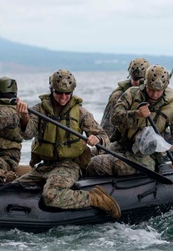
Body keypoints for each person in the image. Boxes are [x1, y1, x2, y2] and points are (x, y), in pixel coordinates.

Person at [13, 70, 121, 218]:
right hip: (45, 165)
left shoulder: (81, 113)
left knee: (51, 196)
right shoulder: (39, 110)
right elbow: (27, 134)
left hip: (69, 165)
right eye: (59, 93)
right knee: (14, 187)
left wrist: (97, 139)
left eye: (67, 93)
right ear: (52, 90)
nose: (63, 97)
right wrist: (24, 117)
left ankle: (96, 198)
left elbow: (103, 136)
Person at [87, 65, 173, 176]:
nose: (155, 95)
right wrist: (136, 114)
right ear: (145, 84)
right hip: (121, 145)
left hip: (145, 157)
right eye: (151, 90)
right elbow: (114, 117)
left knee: (96, 163)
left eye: (159, 91)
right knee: (87, 155)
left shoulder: (170, 111)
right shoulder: (131, 94)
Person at [100, 57, 150, 141]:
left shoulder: (152, 94)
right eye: (135, 78)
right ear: (130, 76)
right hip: (122, 140)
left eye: (141, 79)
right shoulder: (118, 96)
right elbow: (107, 126)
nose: (137, 82)